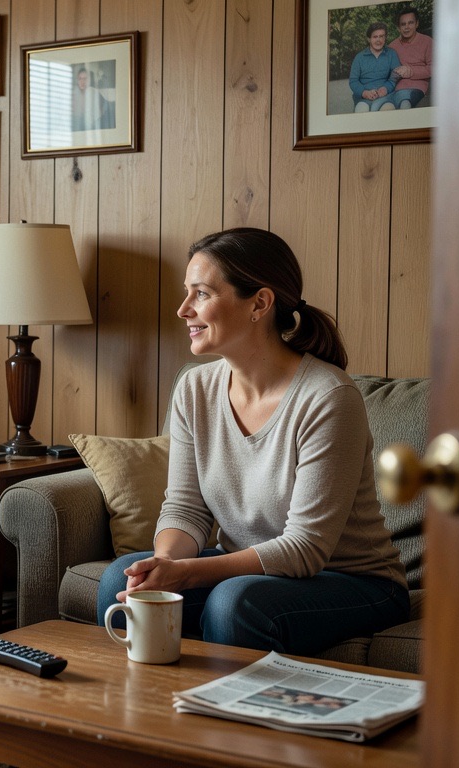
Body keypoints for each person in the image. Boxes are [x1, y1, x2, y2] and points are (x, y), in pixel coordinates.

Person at [94, 227, 409, 657]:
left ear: (260, 303)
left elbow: (305, 549)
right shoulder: (194, 388)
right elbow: (186, 508)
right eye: (186, 293)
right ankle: (144, 717)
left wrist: (186, 575)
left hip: (354, 582)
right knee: (120, 579)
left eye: (201, 294)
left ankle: (227, 721)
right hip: (251, 575)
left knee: (233, 604)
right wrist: (165, 566)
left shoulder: (328, 398)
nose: (184, 309)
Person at [348, 22, 401, 112]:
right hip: (364, 97)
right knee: (362, 111)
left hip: (385, 96)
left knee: (388, 110)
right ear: (369, 39)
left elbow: (395, 77)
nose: (378, 40)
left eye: (381, 36)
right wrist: (364, 93)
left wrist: (386, 88)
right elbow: (353, 81)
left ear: (385, 38)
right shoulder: (359, 57)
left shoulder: (392, 54)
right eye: (375, 37)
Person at [388, 8, 432, 109]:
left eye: (410, 23)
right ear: (398, 27)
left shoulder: (427, 41)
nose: (407, 27)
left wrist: (411, 71)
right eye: (403, 24)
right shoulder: (392, 46)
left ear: (417, 24)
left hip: (416, 87)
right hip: (394, 88)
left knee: (404, 104)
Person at [70, 66, 115, 132]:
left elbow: (103, 109)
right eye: (80, 79)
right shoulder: (75, 94)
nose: (82, 81)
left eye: (85, 79)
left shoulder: (91, 91)